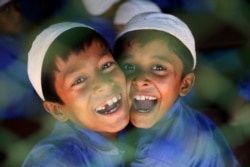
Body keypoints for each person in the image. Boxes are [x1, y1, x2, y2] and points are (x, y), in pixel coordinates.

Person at [113, 12, 240, 166]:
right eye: (129, 66)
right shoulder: (184, 117)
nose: (140, 80)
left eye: (158, 67)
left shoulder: (161, 155)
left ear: (184, 84)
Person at [22, 22, 130, 166]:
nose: (103, 83)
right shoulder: (58, 158)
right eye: (79, 80)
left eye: (106, 65)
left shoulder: (139, 116)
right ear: (57, 110)